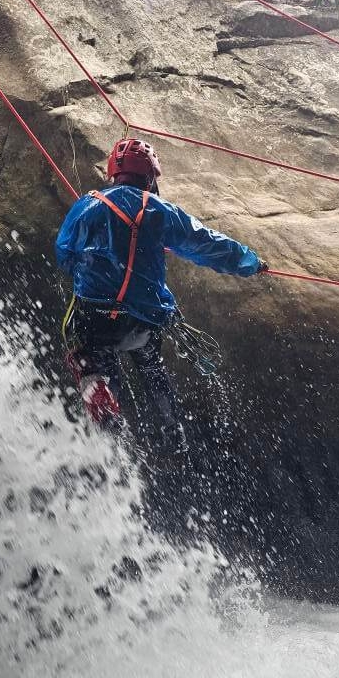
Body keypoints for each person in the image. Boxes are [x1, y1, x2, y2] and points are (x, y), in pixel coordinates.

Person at [55, 137, 268, 453]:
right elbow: (206, 243)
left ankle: (107, 416)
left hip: (97, 320)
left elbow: (64, 253)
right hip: (144, 322)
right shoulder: (160, 211)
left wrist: (89, 270)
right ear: (150, 177)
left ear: (114, 173)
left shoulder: (87, 205)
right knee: (153, 370)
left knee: (88, 350)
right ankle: (173, 432)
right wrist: (250, 263)